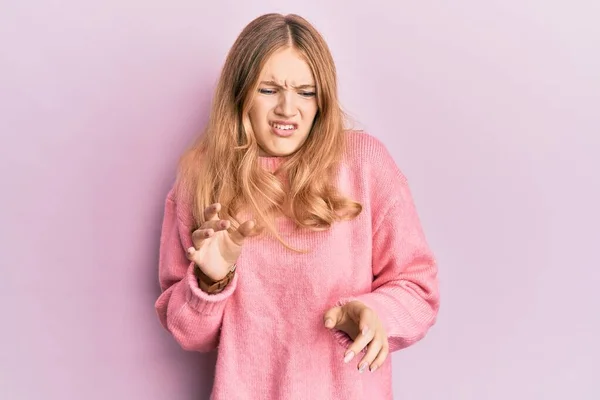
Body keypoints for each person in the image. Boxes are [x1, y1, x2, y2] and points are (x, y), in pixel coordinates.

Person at [154, 12, 440, 400]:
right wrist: (210, 283)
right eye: (269, 90)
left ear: (321, 99)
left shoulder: (364, 164)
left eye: (305, 92)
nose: (288, 110)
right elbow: (189, 333)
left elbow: (419, 288)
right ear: (241, 94)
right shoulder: (202, 177)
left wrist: (375, 313)